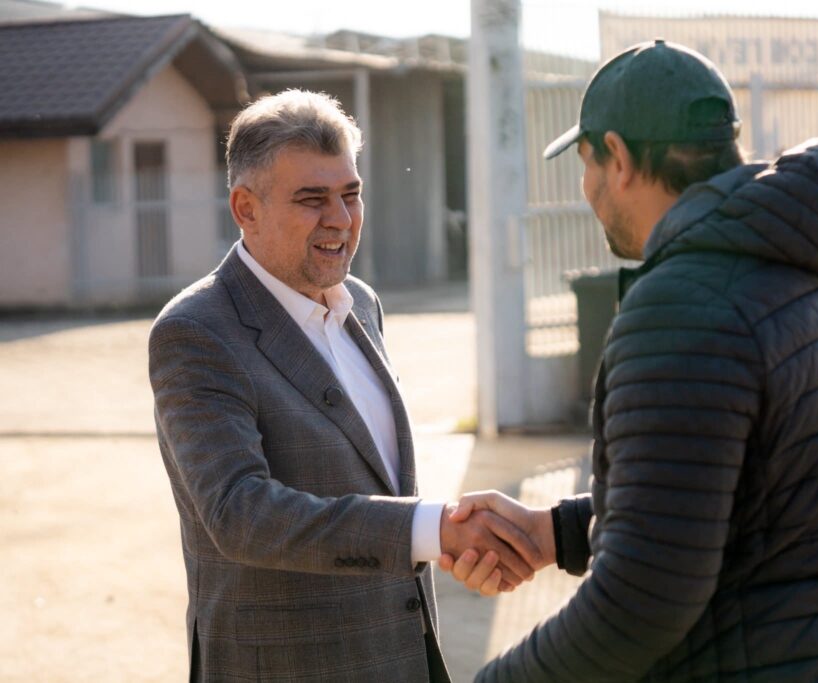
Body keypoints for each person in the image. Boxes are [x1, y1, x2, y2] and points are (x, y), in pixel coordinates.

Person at [442, 40, 818, 681]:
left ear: (617, 158)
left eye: (588, 164)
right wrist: (556, 532)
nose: (588, 189)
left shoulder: (683, 307)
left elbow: (640, 604)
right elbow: (760, 498)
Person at [148, 89, 541, 682]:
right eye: (312, 199)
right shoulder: (196, 331)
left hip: (404, 656)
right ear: (245, 208)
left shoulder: (362, 302)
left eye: (351, 194)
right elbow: (240, 514)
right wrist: (432, 530)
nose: (340, 219)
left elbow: (374, 477)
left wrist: (443, 541)